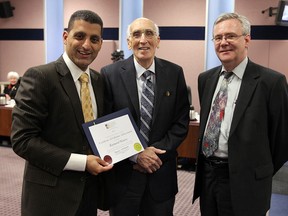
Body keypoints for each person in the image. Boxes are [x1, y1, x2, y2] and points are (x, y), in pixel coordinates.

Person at [11, 10, 113, 216]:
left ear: (101, 43)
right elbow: (23, 140)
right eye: (79, 36)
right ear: (66, 37)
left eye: (94, 39)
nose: (86, 45)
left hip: (88, 194)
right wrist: (83, 162)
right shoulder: (40, 76)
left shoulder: (98, 80)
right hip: (50, 197)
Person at [192, 12, 288, 216]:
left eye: (230, 36)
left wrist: (257, 170)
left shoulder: (271, 82)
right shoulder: (206, 79)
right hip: (208, 177)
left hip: (248, 182)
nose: (223, 42)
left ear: (246, 39)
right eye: (218, 38)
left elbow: (282, 140)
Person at [101, 17, 190, 216]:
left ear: (158, 40)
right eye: (136, 34)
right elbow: (106, 123)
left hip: (161, 174)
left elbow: (181, 123)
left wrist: (153, 154)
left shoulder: (174, 73)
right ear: (128, 42)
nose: (143, 40)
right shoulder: (109, 74)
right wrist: (137, 155)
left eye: (149, 33)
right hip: (124, 175)